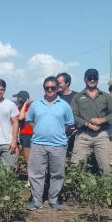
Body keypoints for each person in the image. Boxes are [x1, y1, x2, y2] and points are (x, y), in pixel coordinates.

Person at [25, 76, 74, 211]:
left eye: (53, 87)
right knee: (36, 173)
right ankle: (36, 200)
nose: (50, 90)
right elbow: (29, 120)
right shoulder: (36, 104)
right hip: (38, 143)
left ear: (57, 88)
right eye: (47, 87)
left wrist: (57, 130)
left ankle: (53, 199)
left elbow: (69, 124)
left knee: (57, 173)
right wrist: (38, 129)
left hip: (58, 144)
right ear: (44, 88)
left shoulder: (64, 105)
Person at [70, 69, 112, 176]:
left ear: (97, 79)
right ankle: (77, 191)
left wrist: (102, 120)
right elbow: (72, 116)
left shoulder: (105, 96)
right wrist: (88, 124)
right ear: (85, 79)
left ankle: (105, 190)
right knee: (76, 168)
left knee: (107, 168)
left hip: (101, 135)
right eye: (89, 78)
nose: (92, 80)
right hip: (83, 135)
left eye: (94, 78)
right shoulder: (77, 97)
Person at [13, 90, 32, 185]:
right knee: (14, 156)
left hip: (28, 134)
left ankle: (29, 181)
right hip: (20, 135)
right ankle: (12, 177)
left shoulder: (31, 108)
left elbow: (21, 117)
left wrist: (25, 105)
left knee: (27, 159)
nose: (17, 100)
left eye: (19, 98)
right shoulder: (18, 108)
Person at [57, 72, 78, 153]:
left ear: (67, 83)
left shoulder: (76, 96)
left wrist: (78, 128)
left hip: (74, 134)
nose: (57, 85)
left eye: (59, 83)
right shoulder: (55, 97)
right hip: (59, 134)